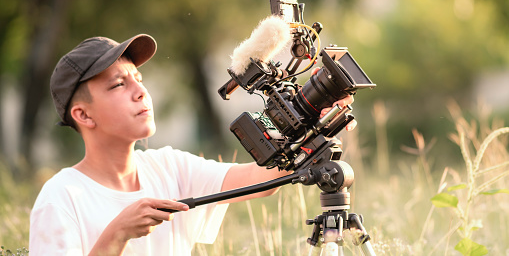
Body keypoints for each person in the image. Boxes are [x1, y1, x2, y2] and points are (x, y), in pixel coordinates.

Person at [29, 34, 356, 255]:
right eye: (118, 85)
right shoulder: (61, 198)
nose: (141, 92)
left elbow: (265, 181)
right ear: (83, 115)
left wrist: (310, 120)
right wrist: (117, 234)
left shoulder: (168, 166)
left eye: (139, 80)